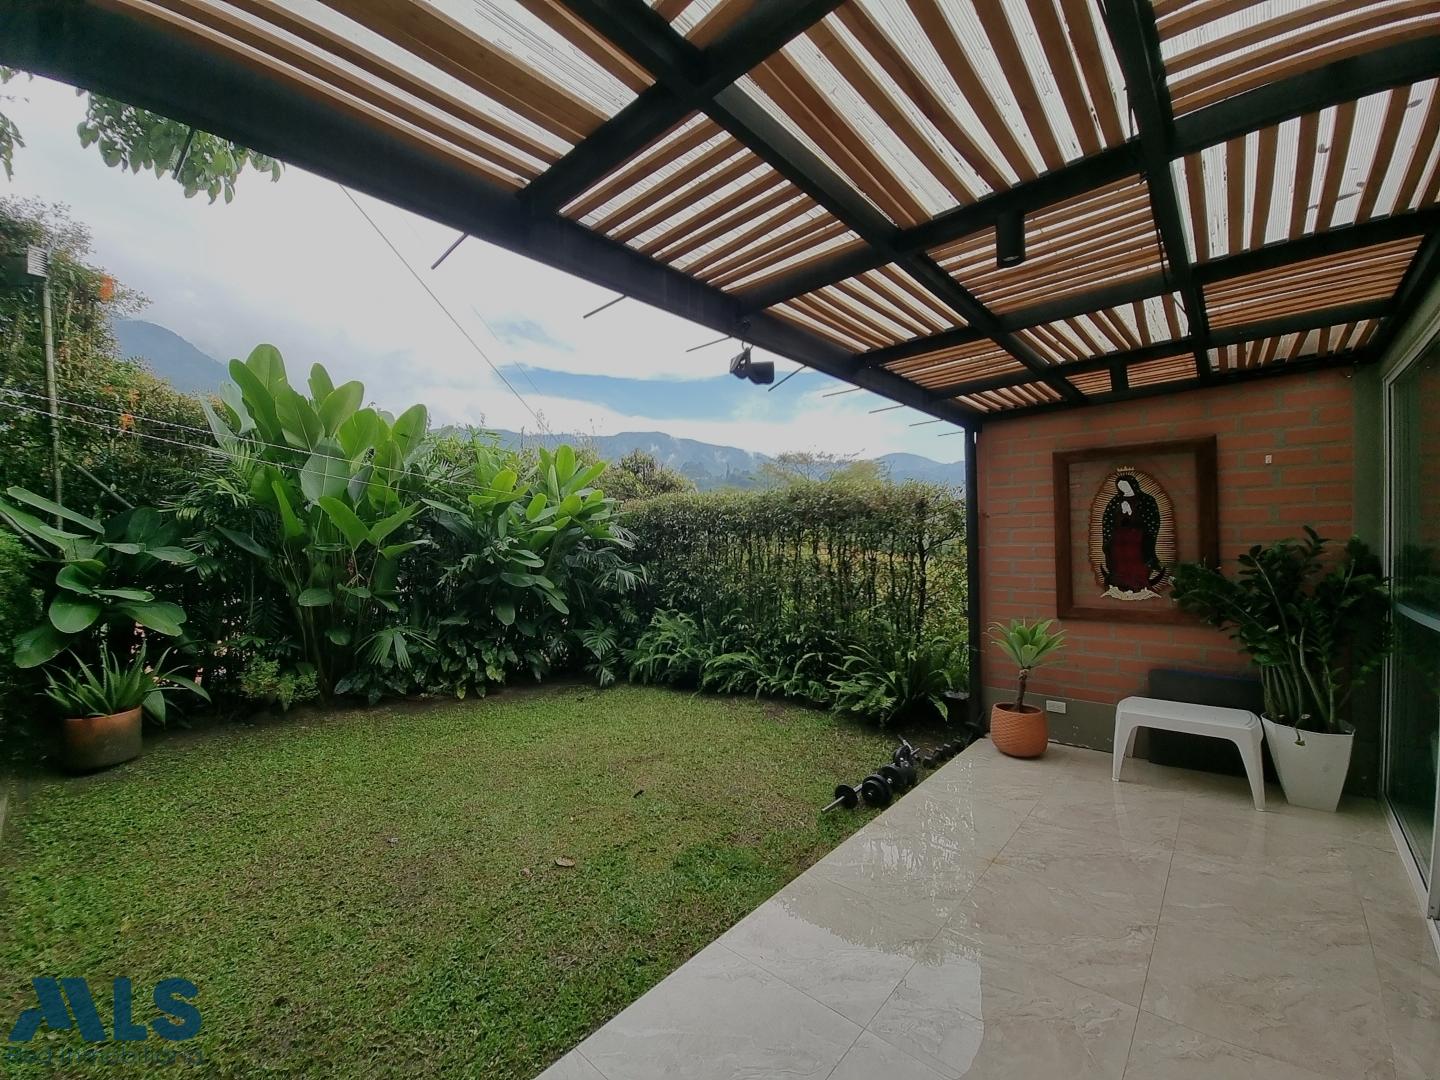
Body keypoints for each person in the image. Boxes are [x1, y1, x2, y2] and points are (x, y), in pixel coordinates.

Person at [1100, 473, 1165, 595]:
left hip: (1137, 537)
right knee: (1120, 558)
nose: (1123, 489)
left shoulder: (1146, 500)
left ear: (1132, 485)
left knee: (1136, 558)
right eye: (1121, 487)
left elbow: (1150, 519)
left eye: (1125, 485)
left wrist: (1130, 512)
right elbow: (1108, 519)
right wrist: (1121, 514)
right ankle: (1120, 583)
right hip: (1119, 537)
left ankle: (1138, 583)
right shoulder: (1115, 501)